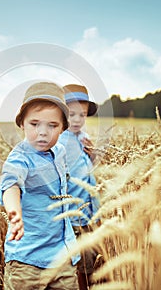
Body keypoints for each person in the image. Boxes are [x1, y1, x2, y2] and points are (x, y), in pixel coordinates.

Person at [0, 82, 80, 290]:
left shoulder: (59, 151)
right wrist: (15, 216)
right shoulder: (20, 158)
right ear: (22, 124)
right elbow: (11, 185)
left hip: (63, 256)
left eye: (52, 125)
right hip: (27, 262)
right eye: (34, 124)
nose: (43, 132)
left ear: (63, 128)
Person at [58, 84, 101, 290]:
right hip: (73, 216)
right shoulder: (59, 142)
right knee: (79, 266)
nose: (77, 120)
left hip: (89, 213)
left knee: (89, 264)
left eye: (82, 115)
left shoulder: (82, 138)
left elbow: (85, 172)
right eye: (71, 114)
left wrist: (91, 155)